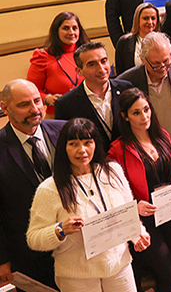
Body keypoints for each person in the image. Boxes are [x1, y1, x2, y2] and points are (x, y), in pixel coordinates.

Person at [27, 118, 151, 292]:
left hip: (119, 264)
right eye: (73, 144)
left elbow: (128, 212)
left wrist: (138, 234)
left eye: (87, 143)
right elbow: (33, 238)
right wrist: (60, 230)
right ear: (63, 147)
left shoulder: (112, 171)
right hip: (77, 276)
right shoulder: (50, 188)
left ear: (96, 144)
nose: (82, 150)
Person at [109, 88, 171, 291]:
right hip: (142, 219)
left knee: (167, 262)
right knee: (168, 273)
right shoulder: (117, 150)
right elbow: (112, 195)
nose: (144, 117)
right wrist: (134, 206)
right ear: (125, 117)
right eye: (136, 113)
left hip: (168, 212)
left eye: (146, 109)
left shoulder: (162, 135)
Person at [0, 79, 64, 289]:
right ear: (4, 108)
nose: (35, 109)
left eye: (37, 100)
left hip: (74, 247)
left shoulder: (64, 131)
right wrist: (1, 260)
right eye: (24, 104)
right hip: (27, 255)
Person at [118, 32, 171, 181]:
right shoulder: (128, 81)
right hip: (150, 161)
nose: (163, 68)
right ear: (143, 60)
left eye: (166, 61)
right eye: (156, 65)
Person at [55, 42, 134, 152]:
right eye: (92, 64)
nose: (101, 69)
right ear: (79, 71)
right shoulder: (65, 104)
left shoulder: (126, 88)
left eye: (104, 61)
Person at [27, 11, 89, 117]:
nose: (71, 32)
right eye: (65, 28)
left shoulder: (89, 53)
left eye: (75, 28)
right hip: (58, 116)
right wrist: (47, 98)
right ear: (56, 31)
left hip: (88, 113)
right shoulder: (43, 57)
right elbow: (31, 90)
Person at [114, 2, 160, 76]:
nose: (150, 22)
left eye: (153, 18)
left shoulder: (164, 40)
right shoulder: (124, 42)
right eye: (145, 18)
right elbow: (120, 72)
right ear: (137, 20)